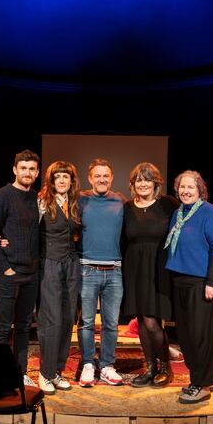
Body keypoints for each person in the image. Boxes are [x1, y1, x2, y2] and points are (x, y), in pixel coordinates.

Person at [165, 170, 213, 404]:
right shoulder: (178, 213)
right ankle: (204, 379)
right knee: (186, 335)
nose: (185, 191)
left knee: (202, 335)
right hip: (182, 281)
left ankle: (200, 384)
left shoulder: (209, 212)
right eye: (182, 187)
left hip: (205, 282)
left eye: (191, 187)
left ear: (200, 189)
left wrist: (212, 282)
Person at [0, 149, 41, 386]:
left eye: (32, 169)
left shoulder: (36, 197)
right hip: (9, 274)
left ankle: (20, 372)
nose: (27, 172)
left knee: (24, 328)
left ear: (37, 172)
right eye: (23, 168)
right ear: (15, 170)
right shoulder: (2, 196)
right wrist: (6, 268)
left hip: (31, 273)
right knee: (3, 328)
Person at [121, 162, 179, 388]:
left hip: (159, 268)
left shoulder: (168, 205)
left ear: (156, 183)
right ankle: (150, 367)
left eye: (147, 179)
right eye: (138, 180)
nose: (143, 183)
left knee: (153, 322)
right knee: (142, 321)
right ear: (133, 184)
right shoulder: (127, 208)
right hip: (134, 267)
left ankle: (165, 367)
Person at [77, 158, 126, 387]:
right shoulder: (80, 200)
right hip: (87, 269)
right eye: (97, 175)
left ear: (112, 177)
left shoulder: (120, 201)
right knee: (87, 322)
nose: (102, 179)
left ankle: (106, 366)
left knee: (111, 324)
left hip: (114, 272)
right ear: (90, 178)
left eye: (106, 175)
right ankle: (88, 364)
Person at [35, 161, 81, 394]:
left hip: (71, 265)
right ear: (51, 180)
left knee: (66, 319)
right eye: (58, 177)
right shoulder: (42, 202)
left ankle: (57, 371)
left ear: (72, 181)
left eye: (66, 176)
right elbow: (27, 229)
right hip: (50, 264)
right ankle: (45, 372)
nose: (62, 180)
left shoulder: (74, 203)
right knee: (51, 320)